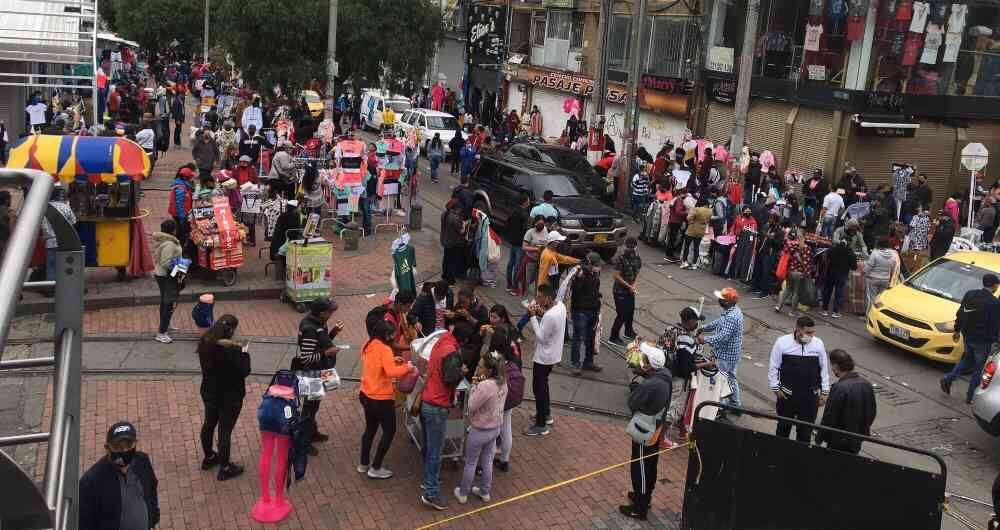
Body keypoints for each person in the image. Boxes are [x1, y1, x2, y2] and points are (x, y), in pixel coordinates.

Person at [420, 322, 475, 511]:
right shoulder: (451, 352)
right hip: (437, 406)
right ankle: (431, 492)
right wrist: (462, 372)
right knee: (435, 452)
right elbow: (450, 379)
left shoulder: (441, 341)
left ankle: (428, 479)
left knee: (429, 448)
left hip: (427, 400)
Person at [357, 318, 417, 480]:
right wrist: (407, 367)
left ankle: (363, 463)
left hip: (365, 394)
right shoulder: (385, 350)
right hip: (381, 399)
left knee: (370, 429)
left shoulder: (368, 344)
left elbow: (377, 365)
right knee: (389, 431)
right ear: (386, 335)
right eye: (392, 335)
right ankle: (376, 467)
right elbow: (391, 373)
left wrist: (392, 362)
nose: (394, 337)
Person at [618, 343, 672, 521]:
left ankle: (639, 507)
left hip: (644, 430)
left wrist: (637, 389)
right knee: (650, 464)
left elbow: (632, 403)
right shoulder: (665, 377)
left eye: (644, 358)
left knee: (640, 466)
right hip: (655, 427)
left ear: (650, 364)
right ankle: (645, 496)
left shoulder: (651, 384)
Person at [196, 314, 250, 481]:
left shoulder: (205, 342)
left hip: (209, 392)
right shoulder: (232, 350)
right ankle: (225, 468)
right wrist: (245, 353)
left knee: (209, 424)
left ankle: (209, 457)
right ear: (231, 330)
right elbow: (245, 370)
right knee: (225, 430)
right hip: (230, 397)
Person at [79, 421, 159, 530]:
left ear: (135, 443)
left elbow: (152, 489)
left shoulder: (142, 461)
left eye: (129, 445)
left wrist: (153, 518)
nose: (124, 450)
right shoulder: (91, 482)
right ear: (107, 448)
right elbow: (85, 522)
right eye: (117, 446)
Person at [455, 350, 508, 505]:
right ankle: (485, 491)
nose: (478, 368)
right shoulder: (503, 382)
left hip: (479, 430)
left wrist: (473, 388)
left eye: (481, 366)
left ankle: (463, 493)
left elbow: (471, 405)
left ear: (489, 370)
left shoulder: (485, 386)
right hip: (495, 428)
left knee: (471, 462)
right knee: (487, 461)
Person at [767, 316, 830, 442]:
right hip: (787, 395)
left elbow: (824, 368)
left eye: (813, 332)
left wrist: (825, 391)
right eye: (808, 332)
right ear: (798, 329)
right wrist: (775, 387)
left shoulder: (818, 344)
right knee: (783, 429)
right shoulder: (782, 342)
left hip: (809, 396)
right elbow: (773, 366)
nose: (811, 336)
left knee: (805, 433)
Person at [941, 274, 1000, 404]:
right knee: (978, 367)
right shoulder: (994, 303)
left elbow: (961, 313)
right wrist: (997, 341)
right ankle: (971, 395)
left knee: (967, 359)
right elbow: (995, 325)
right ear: (995, 285)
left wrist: (957, 330)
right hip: (983, 341)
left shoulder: (970, 294)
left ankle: (948, 378)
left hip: (968, 335)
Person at [293, 297, 342, 450]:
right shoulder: (309, 328)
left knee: (315, 404)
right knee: (309, 407)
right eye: (330, 311)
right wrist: (328, 352)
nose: (331, 314)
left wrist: (333, 332)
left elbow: (321, 342)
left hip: (321, 370)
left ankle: (312, 432)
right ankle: (303, 441)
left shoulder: (319, 323)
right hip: (312, 374)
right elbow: (307, 358)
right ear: (321, 313)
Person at [524, 283, 567, 436]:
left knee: (538, 389)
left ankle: (541, 424)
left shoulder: (550, 315)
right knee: (544, 385)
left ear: (548, 298)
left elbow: (541, 337)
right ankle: (546, 413)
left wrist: (533, 317)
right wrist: (542, 314)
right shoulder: (561, 306)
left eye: (540, 297)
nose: (537, 299)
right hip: (554, 354)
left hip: (544, 357)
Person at [817, 350, 876, 454]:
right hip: (856, 439)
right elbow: (871, 412)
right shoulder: (866, 384)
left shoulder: (839, 388)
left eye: (831, 365)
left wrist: (819, 438)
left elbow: (830, 416)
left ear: (835, 366)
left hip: (838, 440)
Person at [700, 287, 744, 409]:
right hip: (731, 353)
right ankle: (735, 403)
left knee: (722, 378)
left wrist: (705, 339)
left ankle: (721, 404)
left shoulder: (731, 317)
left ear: (728, 302)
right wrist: (704, 327)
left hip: (726, 354)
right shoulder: (732, 311)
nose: (719, 300)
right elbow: (719, 322)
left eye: (721, 299)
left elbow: (723, 337)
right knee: (730, 378)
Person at [566, 252, 604, 374]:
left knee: (590, 339)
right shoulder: (580, 275)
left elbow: (594, 290)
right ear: (589, 264)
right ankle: (575, 364)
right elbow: (575, 292)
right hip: (581, 312)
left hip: (593, 311)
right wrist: (579, 278)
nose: (598, 267)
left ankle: (588, 362)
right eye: (596, 265)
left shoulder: (595, 275)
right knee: (578, 338)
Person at [494, 327, 525, 473]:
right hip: (510, 398)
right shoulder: (512, 354)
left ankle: (485, 462)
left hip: (499, 398)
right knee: (506, 427)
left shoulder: (495, 360)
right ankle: (504, 460)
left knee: (493, 428)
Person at [151, 219, 183, 344]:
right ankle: (162, 333)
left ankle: (166, 325)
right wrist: (179, 267)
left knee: (165, 302)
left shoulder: (166, 240)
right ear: (173, 230)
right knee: (168, 303)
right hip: (166, 277)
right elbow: (166, 262)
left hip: (162, 275)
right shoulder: (169, 244)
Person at [609, 237, 642, 345]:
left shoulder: (636, 257)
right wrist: (629, 286)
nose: (631, 249)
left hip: (630, 290)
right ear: (625, 246)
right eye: (629, 246)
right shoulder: (620, 257)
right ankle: (613, 337)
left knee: (630, 311)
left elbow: (637, 272)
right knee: (622, 314)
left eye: (633, 247)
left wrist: (634, 286)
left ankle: (628, 331)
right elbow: (616, 275)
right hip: (620, 291)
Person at [42, 185, 77, 281]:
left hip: (50, 242)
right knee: (65, 266)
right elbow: (73, 222)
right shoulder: (65, 207)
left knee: (51, 266)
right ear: (59, 196)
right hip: (64, 242)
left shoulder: (43, 208)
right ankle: (65, 287)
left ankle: (50, 289)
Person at [774, 231, 813, 316]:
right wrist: (807, 274)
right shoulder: (806, 248)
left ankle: (778, 306)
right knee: (796, 292)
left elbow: (785, 253)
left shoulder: (791, 245)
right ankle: (792, 312)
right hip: (799, 273)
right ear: (803, 238)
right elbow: (807, 263)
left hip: (790, 271)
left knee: (787, 289)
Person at [820, 239, 857, 318]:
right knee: (839, 292)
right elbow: (854, 267)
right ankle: (835, 312)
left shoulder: (833, 249)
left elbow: (825, 257)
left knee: (827, 291)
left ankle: (824, 310)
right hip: (842, 274)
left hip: (830, 273)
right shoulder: (850, 252)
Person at [863, 237, 899, 312]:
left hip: (873, 278)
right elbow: (893, 266)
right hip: (885, 279)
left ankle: (869, 315)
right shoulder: (893, 254)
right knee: (879, 299)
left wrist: (864, 272)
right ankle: (877, 314)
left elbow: (869, 265)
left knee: (871, 298)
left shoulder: (875, 253)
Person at [506, 194, 530, 295]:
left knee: (510, 263)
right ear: (524, 202)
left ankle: (509, 284)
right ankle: (515, 288)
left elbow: (508, 224)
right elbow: (526, 229)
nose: (529, 201)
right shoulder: (524, 215)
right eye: (528, 200)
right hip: (520, 243)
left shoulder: (513, 211)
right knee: (518, 266)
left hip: (512, 241)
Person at [680, 197, 712, 270]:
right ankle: (694, 263)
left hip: (692, 229)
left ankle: (685, 262)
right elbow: (709, 220)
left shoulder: (696, 209)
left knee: (687, 246)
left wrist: (691, 222)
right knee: (696, 247)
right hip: (701, 230)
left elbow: (688, 218)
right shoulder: (710, 211)